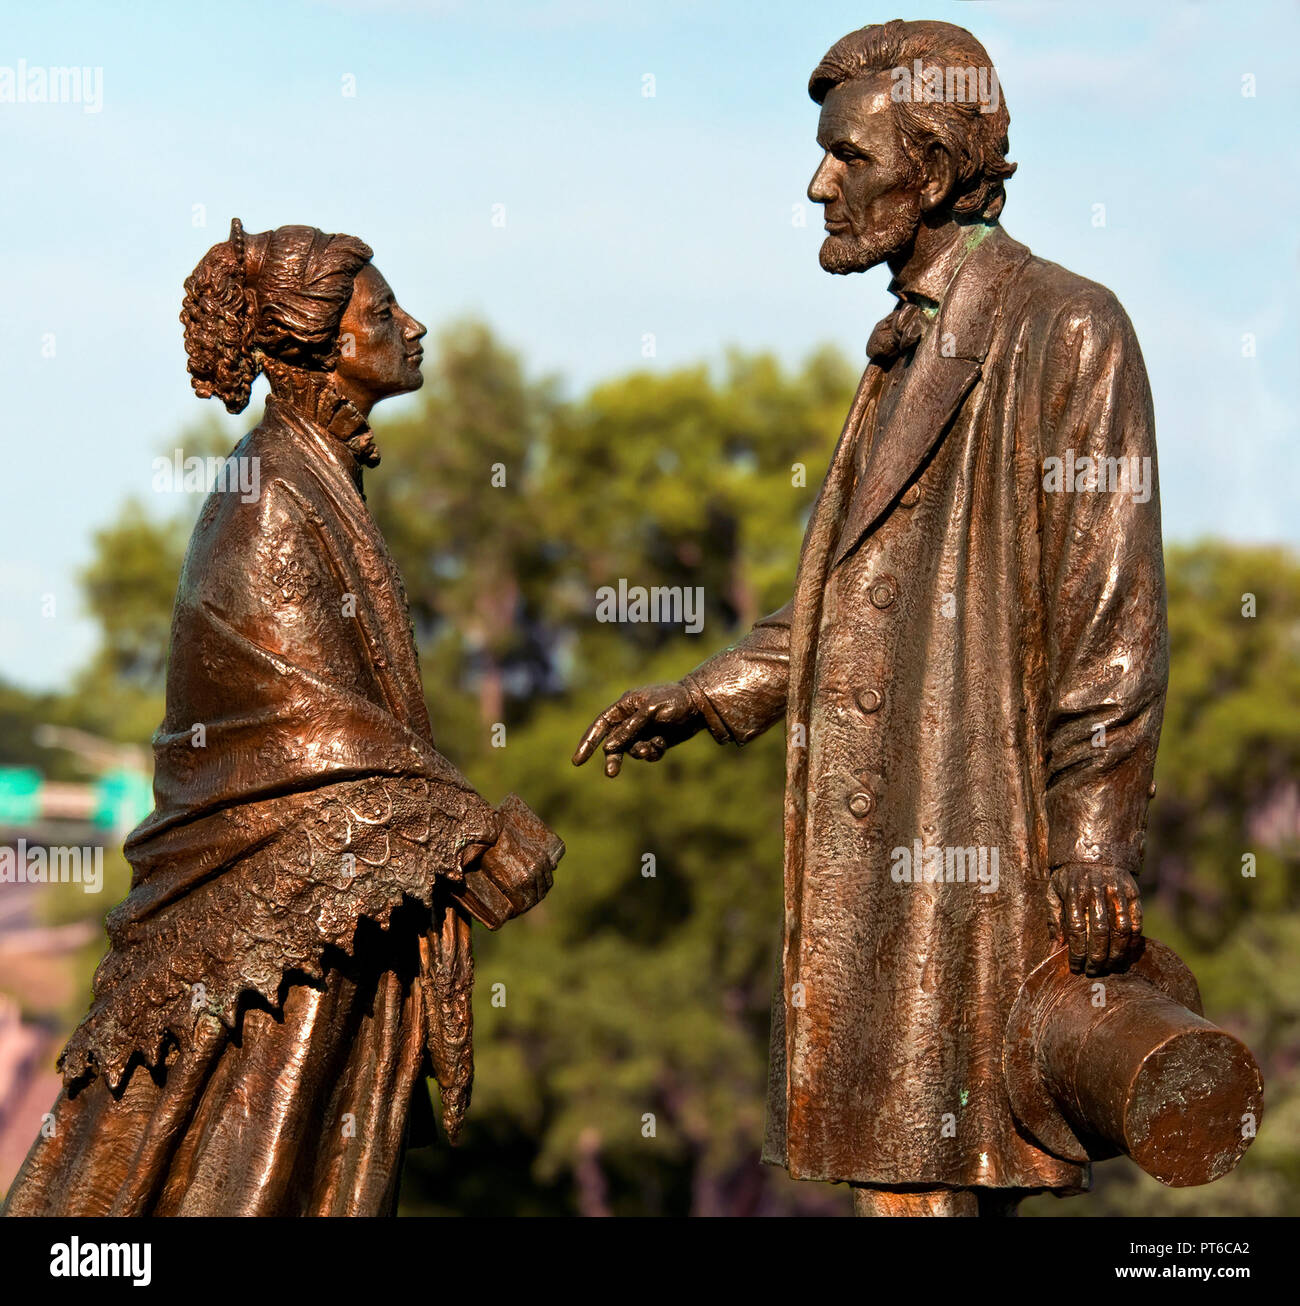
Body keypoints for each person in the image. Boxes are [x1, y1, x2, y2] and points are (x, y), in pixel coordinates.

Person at [574, 20, 1166, 1217]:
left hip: (972, 844)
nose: (817, 184)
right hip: (886, 854)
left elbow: (1111, 614)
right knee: (898, 1178)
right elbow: (841, 602)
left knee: (942, 1171)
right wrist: (704, 695)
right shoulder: (903, 346)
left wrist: (1092, 839)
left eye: (845, 156)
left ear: (936, 172)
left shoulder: (1065, 327)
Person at [4, 221, 561, 1216]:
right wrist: (473, 837)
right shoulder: (265, 501)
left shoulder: (315, 477)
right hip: (272, 939)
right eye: (383, 314)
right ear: (317, 345)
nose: (414, 326)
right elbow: (309, 741)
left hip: (324, 925)